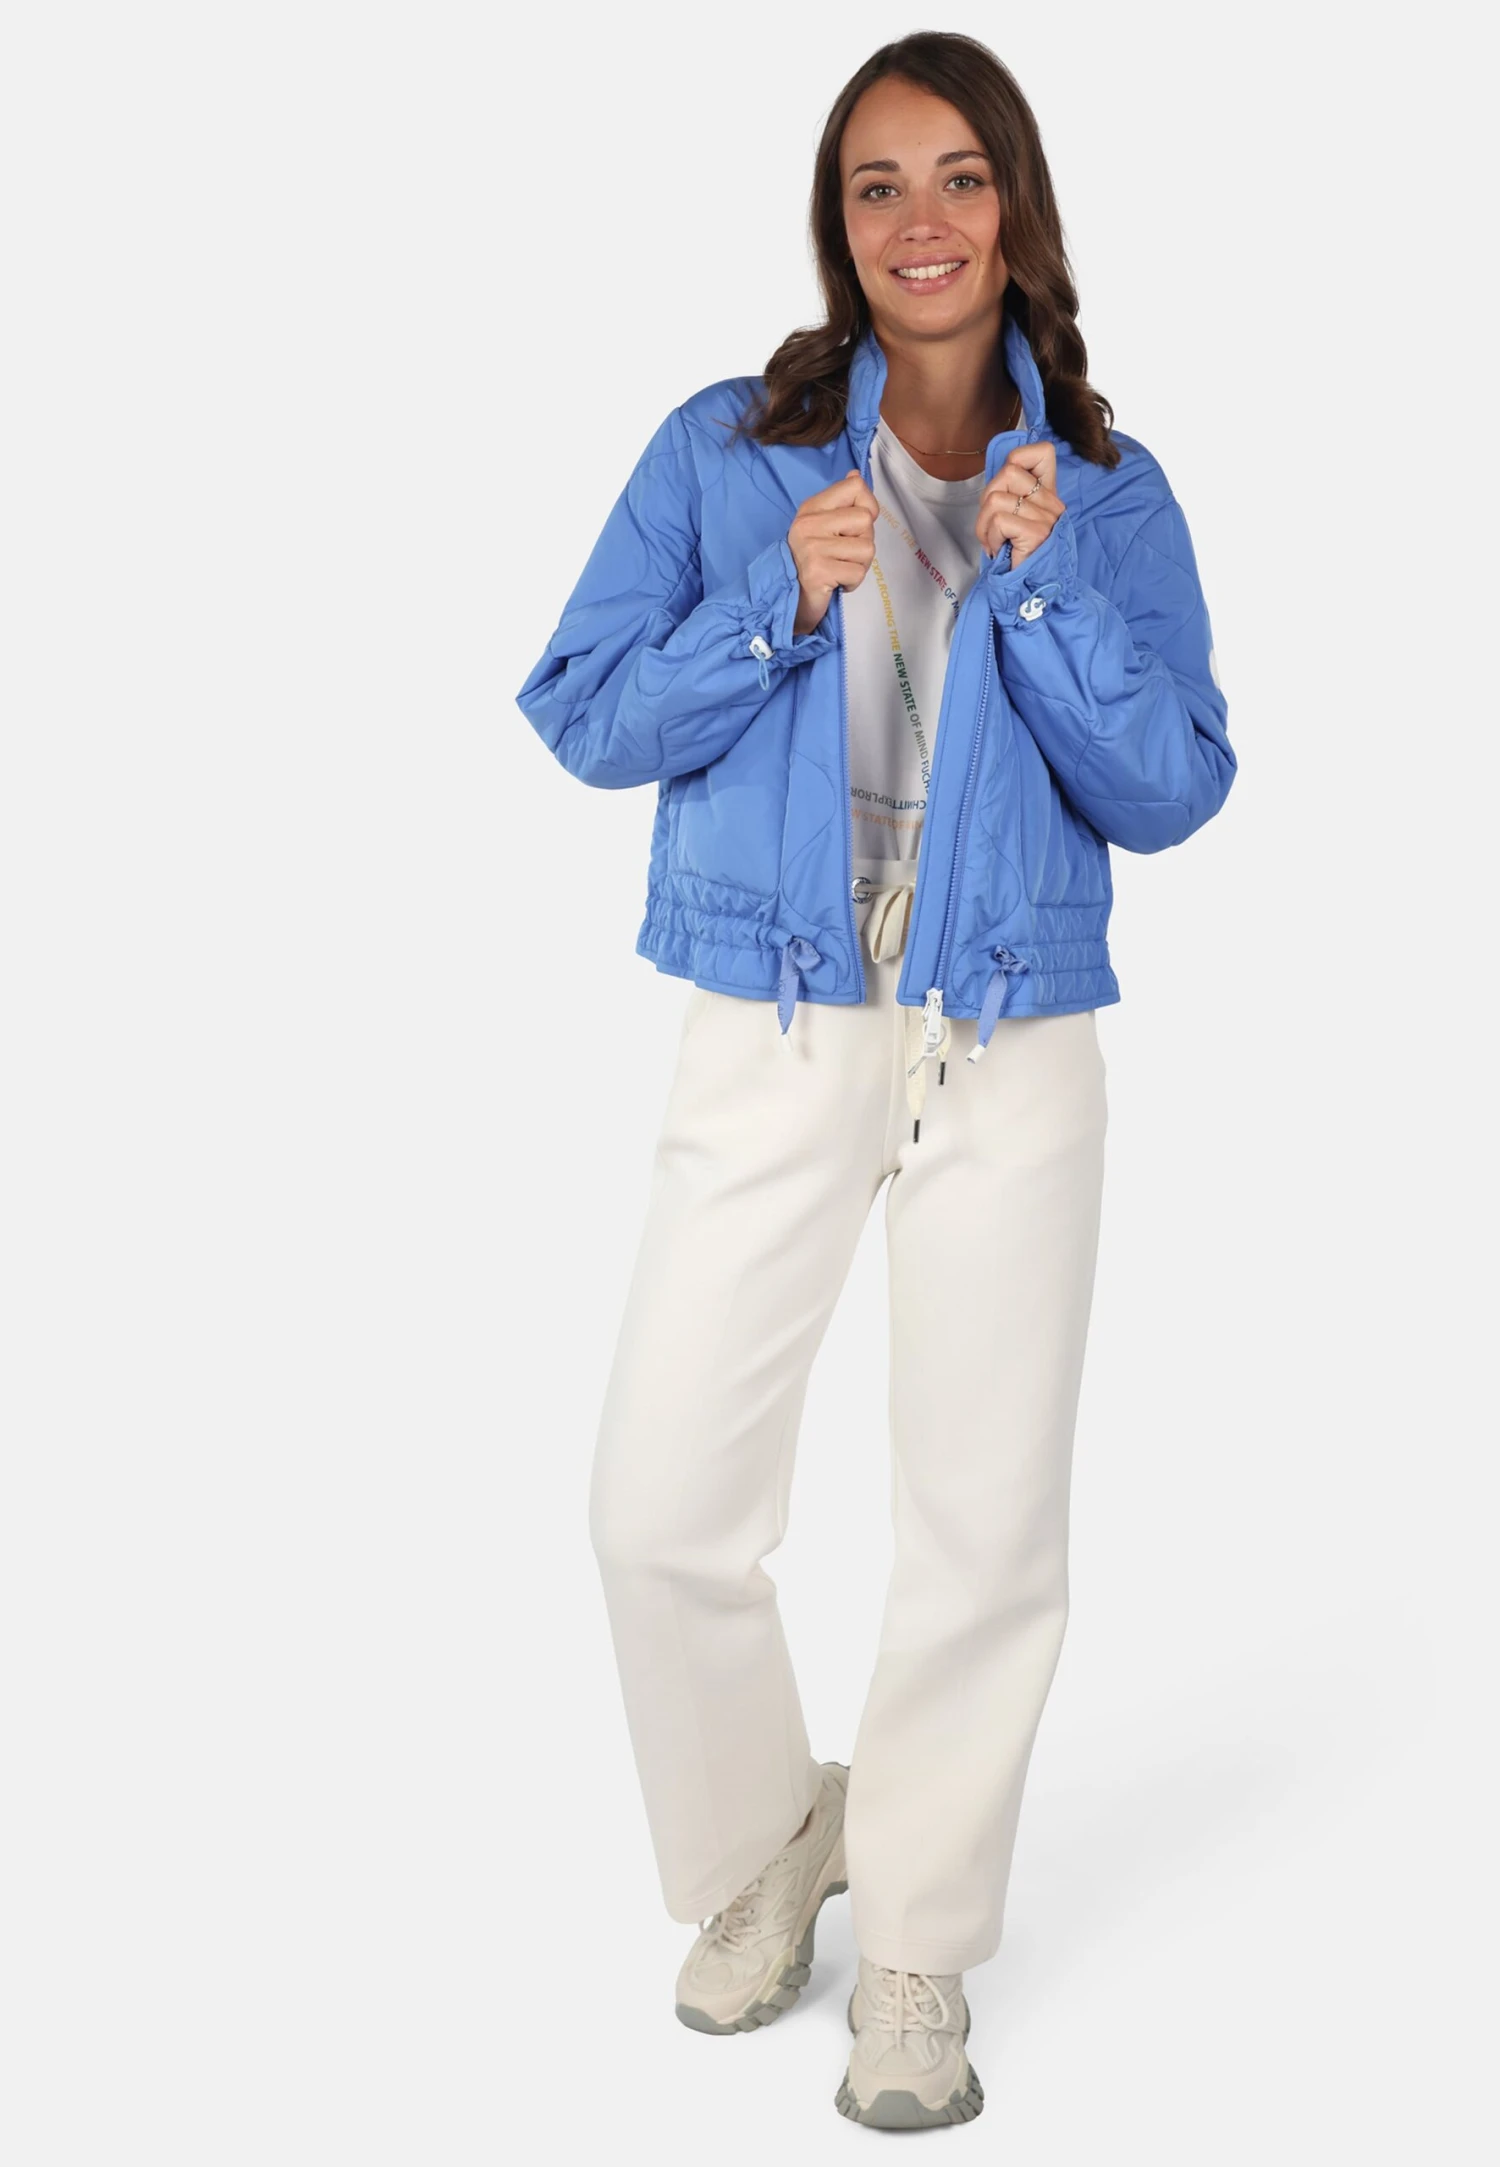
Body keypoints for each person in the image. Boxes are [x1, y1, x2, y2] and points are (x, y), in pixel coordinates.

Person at [515, 29, 1235, 2133]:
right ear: (838, 228)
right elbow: (578, 709)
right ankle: (770, 1837)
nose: (922, 221)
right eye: (876, 185)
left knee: (982, 1524)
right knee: (658, 1508)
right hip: (778, 1008)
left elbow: (1180, 782)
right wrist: (776, 599)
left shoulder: (1105, 490)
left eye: (958, 178)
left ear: (1017, 209)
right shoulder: (728, 451)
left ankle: (916, 1941)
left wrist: (1042, 588)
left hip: (1009, 1026)